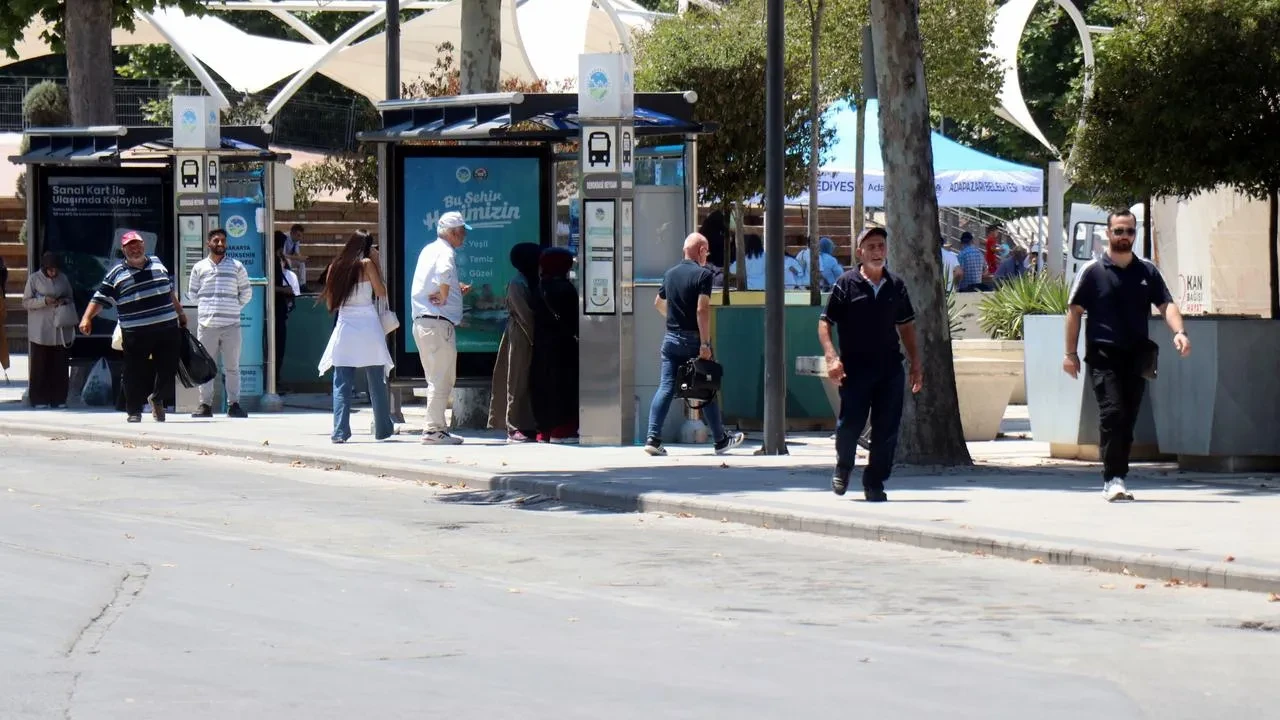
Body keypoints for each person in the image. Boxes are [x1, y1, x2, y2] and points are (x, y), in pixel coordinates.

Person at [1064, 208, 1190, 502]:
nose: (1124, 236)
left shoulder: (1147, 271)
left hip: (1137, 357)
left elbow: (1166, 305)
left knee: (1127, 419)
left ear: (1135, 234)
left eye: (1129, 231)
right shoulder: (1092, 271)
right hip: (1103, 355)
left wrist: (1179, 332)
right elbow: (1074, 312)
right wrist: (1069, 353)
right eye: (1118, 231)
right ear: (1107, 233)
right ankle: (1113, 478)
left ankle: (1118, 473)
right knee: (1112, 413)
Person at [817, 227, 922, 502]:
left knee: (887, 428)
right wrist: (831, 357)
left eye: (881, 246)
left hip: (889, 368)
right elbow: (825, 322)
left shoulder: (896, 285)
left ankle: (874, 481)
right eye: (871, 246)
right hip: (855, 368)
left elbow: (907, 326)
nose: (877, 251)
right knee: (850, 424)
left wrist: (916, 364)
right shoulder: (845, 283)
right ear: (859, 252)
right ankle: (844, 466)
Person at [644, 233, 746, 457]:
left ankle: (653, 437)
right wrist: (705, 343)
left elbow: (658, 303)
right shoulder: (704, 275)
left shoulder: (670, 274)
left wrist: (675, 320)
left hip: (671, 338)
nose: (707, 256)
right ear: (701, 250)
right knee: (707, 387)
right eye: (706, 251)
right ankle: (720, 440)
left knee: (666, 387)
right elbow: (702, 310)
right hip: (693, 339)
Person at [79, 230, 187, 423]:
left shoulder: (157, 263)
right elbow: (99, 299)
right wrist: (87, 318)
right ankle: (134, 411)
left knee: (168, 368)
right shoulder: (116, 272)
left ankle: (157, 398)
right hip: (136, 331)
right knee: (133, 371)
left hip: (167, 327)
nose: (135, 249)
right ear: (123, 249)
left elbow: (169, 292)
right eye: (130, 246)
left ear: (143, 246)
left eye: (137, 245)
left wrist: (180, 313)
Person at [317, 230, 394, 444]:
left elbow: (331, 304)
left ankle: (340, 431)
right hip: (368, 325)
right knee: (376, 380)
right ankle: (383, 428)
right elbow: (381, 292)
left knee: (342, 381)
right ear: (368, 247)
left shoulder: (335, 267)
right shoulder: (367, 264)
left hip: (345, 326)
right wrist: (377, 263)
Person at [410, 211, 472, 445]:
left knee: (435, 378)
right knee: (442, 379)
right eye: (462, 232)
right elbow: (444, 271)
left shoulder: (429, 249)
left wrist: (452, 288)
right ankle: (434, 430)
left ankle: (438, 429)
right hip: (438, 323)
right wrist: (446, 294)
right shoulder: (446, 251)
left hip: (425, 323)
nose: (464, 237)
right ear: (453, 232)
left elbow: (436, 278)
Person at [187, 228, 253, 418]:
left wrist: (233, 307)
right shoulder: (199, 267)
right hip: (207, 326)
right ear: (209, 243)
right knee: (205, 367)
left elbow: (247, 292)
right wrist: (208, 306)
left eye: (223, 241)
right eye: (216, 241)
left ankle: (234, 405)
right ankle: (205, 405)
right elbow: (192, 294)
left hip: (231, 325)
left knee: (232, 366)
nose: (220, 244)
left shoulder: (237, 266)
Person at [488, 242, 540, 442]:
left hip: (526, 334)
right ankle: (513, 426)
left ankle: (527, 423)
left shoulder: (530, 279)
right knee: (515, 378)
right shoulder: (517, 283)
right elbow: (524, 314)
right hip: (520, 335)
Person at [531, 247, 579, 443]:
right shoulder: (566, 289)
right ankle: (563, 430)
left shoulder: (539, 287)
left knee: (544, 386)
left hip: (542, 344)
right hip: (564, 345)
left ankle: (545, 430)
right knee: (564, 387)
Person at [22, 252, 74, 407]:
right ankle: (39, 399)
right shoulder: (34, 279)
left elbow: (70, 297)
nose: (53, 273)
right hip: (41, 329)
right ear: (44, 268)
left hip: (59, 330)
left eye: (55, 270)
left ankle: (59, 398)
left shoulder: (63, 279)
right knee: (40, 366)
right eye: (50, 270)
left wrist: (63, 301)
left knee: (60, 365)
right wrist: (44, 301)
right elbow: (26, 302)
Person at [272, 231, 300, 390]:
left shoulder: (278, 259)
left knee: (279, 347)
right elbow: (271, 286)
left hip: (280, 309)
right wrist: (284, 290)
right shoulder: (273, 260)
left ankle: (276, 380)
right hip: (276, 309)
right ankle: (274, 382)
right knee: (277, 347)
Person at [283, 224, 308, 291]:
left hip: (289, 258)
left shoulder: (296, 240)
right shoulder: (284, 238)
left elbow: (297, 253)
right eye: (298, 235)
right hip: (281, 260)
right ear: (292, 233)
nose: (300, 238)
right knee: (288, 261)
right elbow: (283, 255)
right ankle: (290, 284)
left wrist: (301, 258)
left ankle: (302, 285)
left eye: (301, 236)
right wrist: (298, 258)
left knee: (301, 263)